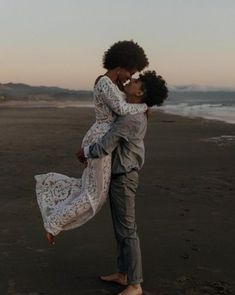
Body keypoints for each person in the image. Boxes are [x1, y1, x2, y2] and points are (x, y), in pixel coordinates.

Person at [34, 40, 149, 244]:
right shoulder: (104, 82)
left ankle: (53, 206)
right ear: (122, 63)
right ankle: (53, 223)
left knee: (90, 188)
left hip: (104, 137)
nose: (130, 77)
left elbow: (124, 107)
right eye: (130, 72)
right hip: (100, 138)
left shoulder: (114, 85)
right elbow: (122, 110)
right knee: (94, 194)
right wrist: (144, 107)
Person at [77, 71, 168, 295]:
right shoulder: (132, 110)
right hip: (119, 175)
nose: (130, 81)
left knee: (127, 230)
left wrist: (84, 152)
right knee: (121, 229)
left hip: (124, 177)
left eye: (135, 82)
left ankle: (135, 284)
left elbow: (105, 145)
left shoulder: (131, 118)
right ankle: (123, 274)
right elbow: (112, 91)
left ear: (141, 92)